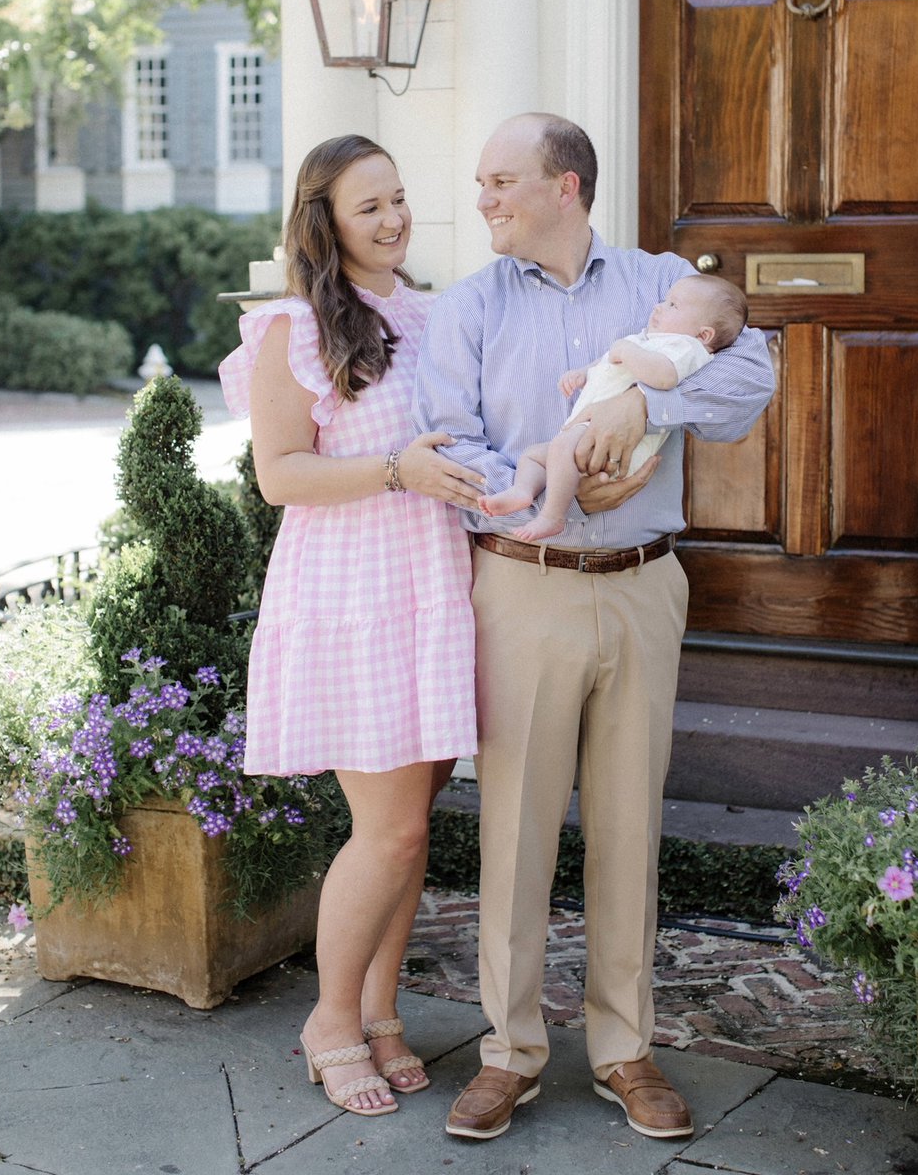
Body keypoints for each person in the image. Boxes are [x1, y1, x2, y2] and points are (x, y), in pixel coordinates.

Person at [413, 112, 775, 1142]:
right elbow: (450, 441)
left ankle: (625, 1050)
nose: (483, 198)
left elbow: (753, 378)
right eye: (479, 181)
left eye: (501, 180)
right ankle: (508, 1053)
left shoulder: (660, 283)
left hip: (645, 587)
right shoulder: (468, 304)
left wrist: (641, 416)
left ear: (565, 185)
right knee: (515, 831)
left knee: (628, 828)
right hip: (522, 583)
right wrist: (569, 467)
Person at [218, 135, 484, 1120]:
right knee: (389, 827)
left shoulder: (431, 313)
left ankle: (379, 1017)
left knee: (414, 834)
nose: (394, 218)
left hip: (432, 587)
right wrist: (394, 472)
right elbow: (279, 475)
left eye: (401, 199)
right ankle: (329, 1020)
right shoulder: (289, 327)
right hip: (352, 595)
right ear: (323, 218)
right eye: (370, 205)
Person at [479, 274, 748, 540]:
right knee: (533, 455)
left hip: (614, 445)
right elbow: (609, 362)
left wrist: (625, 351)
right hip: (589, 432)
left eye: (673, 306)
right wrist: (584, 373)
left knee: (560, 448)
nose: (658, 307)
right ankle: (523, 491)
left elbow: (664, 377)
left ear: (704, 334)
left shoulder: (686, 347)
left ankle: (552, 516)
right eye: (665, 301)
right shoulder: (651, 340)